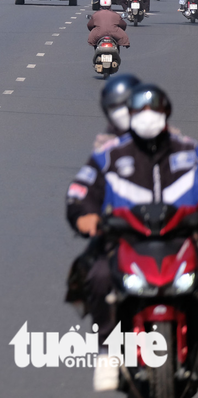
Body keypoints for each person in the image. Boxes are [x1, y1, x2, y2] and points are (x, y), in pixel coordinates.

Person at [66, 84, 198, 391]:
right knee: (98, 275)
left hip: (182, 240)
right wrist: (84, 214)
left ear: (166, 113)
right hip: (125, 241)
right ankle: (108, 352)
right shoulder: (109, 155)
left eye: (155, 110)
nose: (148, 117)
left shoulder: (189, 152)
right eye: (141, 111)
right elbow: (80, 191)